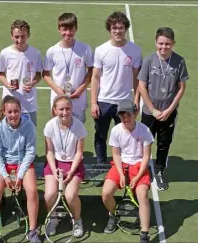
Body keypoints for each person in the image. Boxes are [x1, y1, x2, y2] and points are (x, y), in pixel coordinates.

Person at [90, 11, 142, 181]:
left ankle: (124, 168)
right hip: (104, 101)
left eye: (121, 28)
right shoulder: (101, 50)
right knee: (101, 135)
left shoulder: (134, 50)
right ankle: (101, 166)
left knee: (125, 136)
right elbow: (95, 77)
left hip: (125, 102)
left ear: (126, 28)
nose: (117, 31)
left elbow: (137, 79)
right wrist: (93, 103)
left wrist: (136, 101)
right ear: (109, 29)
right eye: (114, 28)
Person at [138, 27, 189, 191]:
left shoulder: (179, 61)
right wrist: (153, 110)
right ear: (155, 43)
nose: (164, 47)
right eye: (161, 43)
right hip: (149, 112)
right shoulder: (149, 60)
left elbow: (181, 88)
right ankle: (141, 170)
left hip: (168, 113)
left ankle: (159, 171)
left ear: (173, 43)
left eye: (167, 44)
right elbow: (142, 86)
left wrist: (169, 110)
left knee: (163, 144)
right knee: (144, 142)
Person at [0, 95, 40, 243]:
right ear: (4, 112)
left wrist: (20, 175)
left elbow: (31, 152)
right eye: (9, 112)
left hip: (23, 163)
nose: (13, 115)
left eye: (16, 111)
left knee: (32, 191)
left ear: (20, 111)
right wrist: (5, 175)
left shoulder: (29, 126)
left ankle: (33, 230)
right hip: (3, 163)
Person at [101, 99, 154, 243]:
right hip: (121, 165)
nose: (125, 118)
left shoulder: (145, 130)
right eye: (122, 115)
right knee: (106, 194)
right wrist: (120, 172)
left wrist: (137, 177)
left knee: (142, 195)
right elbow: (116, 154)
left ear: (135, 113)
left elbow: (146, 156)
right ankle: (113, 215)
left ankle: (144, 233)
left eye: (128, 114)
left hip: (138, 165)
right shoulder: (116, 130)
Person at [43, 95, 88, 238]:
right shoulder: (50, 126)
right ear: (55, 110)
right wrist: (54, 168)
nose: (64, 112)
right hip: (54, 164)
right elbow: (49, 152)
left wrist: (71, 171)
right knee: (49, 195)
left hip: (74, 164)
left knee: (70, 195)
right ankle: (53, 218)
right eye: (61, 109)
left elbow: (79, 152)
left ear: (72, 109)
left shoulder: (79, 126)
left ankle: (77, 219)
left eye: (67, 109)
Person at [43, 13, 93, 123]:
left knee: (77, 134)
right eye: (64, 29)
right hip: (58, 101)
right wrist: (58, 90)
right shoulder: (52, 51)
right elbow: (45, 74)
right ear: (59, 29)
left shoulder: (85, 49)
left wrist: (80, 89)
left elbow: (91, 71)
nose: (68, 33)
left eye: (71, 29)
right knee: (58, 133)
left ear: (76, 29)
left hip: (78, 101)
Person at [0, 19, 43, 126]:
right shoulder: (5, 53)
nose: (20, 40)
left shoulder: (35, 53)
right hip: (10, 101)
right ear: (12, 36)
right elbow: (0, 73)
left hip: (29, 103)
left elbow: (38, 74)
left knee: (30, 133)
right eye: (17, 37)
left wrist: (33, 83)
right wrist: (7, 84)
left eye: (23, 36)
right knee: (9, 133)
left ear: (28, 35)